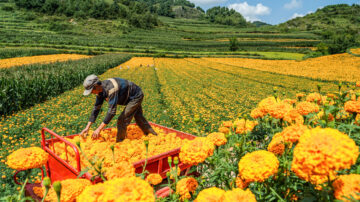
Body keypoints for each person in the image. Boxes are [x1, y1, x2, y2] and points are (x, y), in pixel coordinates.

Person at [80, 74, 157, 142]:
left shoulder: (111, 89)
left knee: (122, 120)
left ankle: (120, 142)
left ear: (96, 85)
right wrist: (87, 127)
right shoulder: (100, 91)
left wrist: (99, 129)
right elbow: (96, 109)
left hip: (135, 96)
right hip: (129, 97)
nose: (92, 93)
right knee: (139, 117)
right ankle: (153, 135)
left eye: (92, 91)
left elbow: (111, 112)